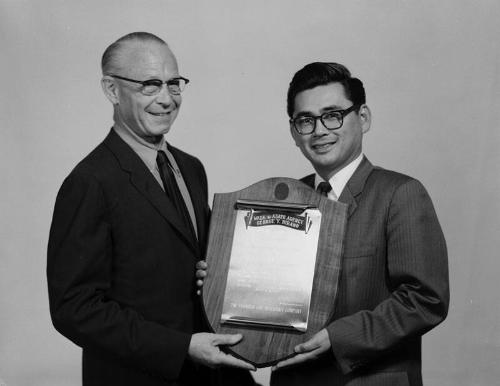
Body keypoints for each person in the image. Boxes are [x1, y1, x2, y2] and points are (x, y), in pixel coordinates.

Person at [47, 32, 256, 386]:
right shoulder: (90, 181)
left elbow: (194, 267)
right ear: (112, 90)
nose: (166, 99)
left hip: (209, 375)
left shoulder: (191, 169)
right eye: (150, 85)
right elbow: (73, 309)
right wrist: (180, 347)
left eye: (174, 84)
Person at [270, 62, 450, 385]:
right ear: (294, 133)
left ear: (363, 118)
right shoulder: (285, 199)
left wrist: (337, 338)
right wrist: (221, 278)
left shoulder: (400, 194)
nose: (320, 130)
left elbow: (426, 298)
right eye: (306, 120)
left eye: (333, 115)